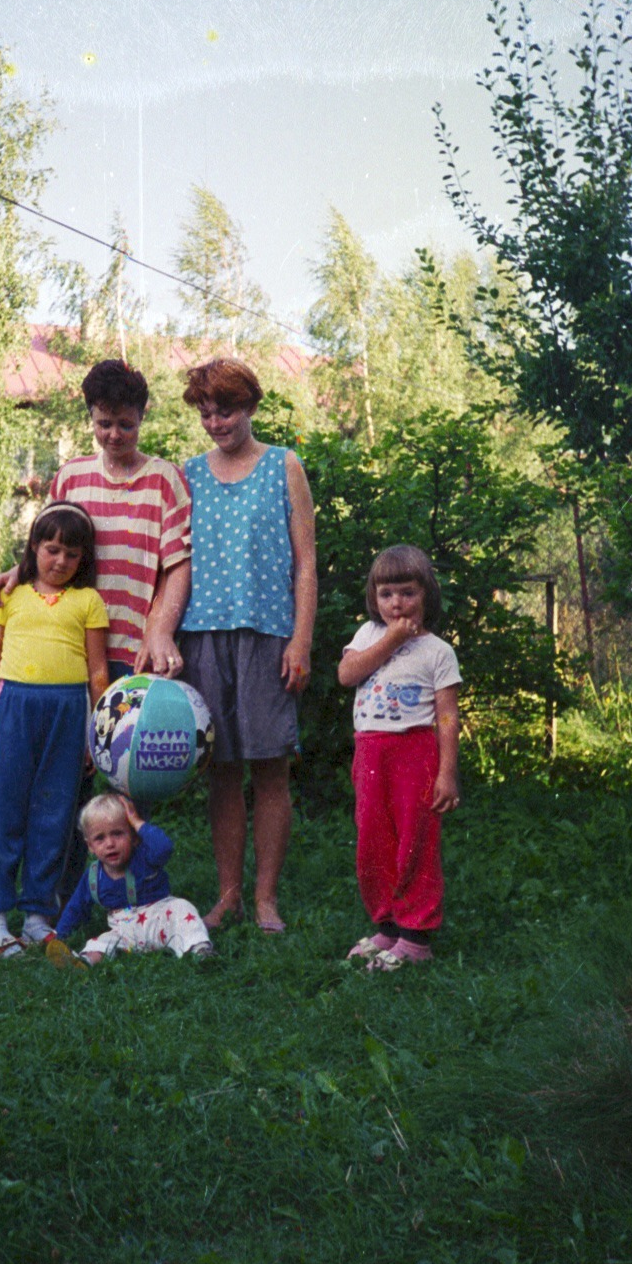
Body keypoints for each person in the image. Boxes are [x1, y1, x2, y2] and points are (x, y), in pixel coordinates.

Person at [176, 358, 317, 934]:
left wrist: (301, 640)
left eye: (225, 411)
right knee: (222, 771)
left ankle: (265, 900)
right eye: (206, 413)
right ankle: (228, 895)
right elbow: (173, 562)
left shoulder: (285, 466)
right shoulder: (187, 474)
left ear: (251, 406)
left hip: (269, 635)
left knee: (270, 769)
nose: (215, 423)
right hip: (203, 635)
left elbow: (306, 565)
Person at [0, 359, 191, 681]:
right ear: (91, 416)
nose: (114, 435)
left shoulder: (165, 480)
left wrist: (160, 630)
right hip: (69, 648)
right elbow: (47, 546)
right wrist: (18, 571)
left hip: (137, 650)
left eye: (126, 424)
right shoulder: (71, 477)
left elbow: (178, 566)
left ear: (142, 416)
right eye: (104, 423)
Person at [0, 502, 110, 957]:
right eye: (51, 550)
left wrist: (96, 734)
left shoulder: (88, 601)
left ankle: (36, 915)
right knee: (8, 811)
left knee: (54, 815)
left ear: (82, 559)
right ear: (34, 548)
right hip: (15, 709)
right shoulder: (9, 596)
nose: (60, 561)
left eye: (72, 554)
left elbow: (97, 673)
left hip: (68, 714)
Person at [337, 545, 461, 970]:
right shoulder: (368, 635)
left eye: (407, 593)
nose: (397, 603)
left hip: (415, 753)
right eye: (387, 593)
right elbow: (346, 675)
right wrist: (391, 638)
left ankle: (417, 935)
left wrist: (447, 774)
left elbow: (447, 717)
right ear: (375, 596)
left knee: (416, 840)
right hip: (370, 751)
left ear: (427, 594)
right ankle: (387, 924)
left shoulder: (439, 651)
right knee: (374, 838)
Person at [47, 792, 212, 964]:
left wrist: (137, 821)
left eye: (118, 834)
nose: (110, 844)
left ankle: (200, 950)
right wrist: (60, 935)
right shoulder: (94, 876)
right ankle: (85, 962)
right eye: (100, 838)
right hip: (123, 931)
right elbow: (76, 907)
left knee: (182, 908)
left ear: (134, 837)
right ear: (90, 846)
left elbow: (164, 847)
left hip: (160, 921)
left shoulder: (144, 858)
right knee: (100, 942)